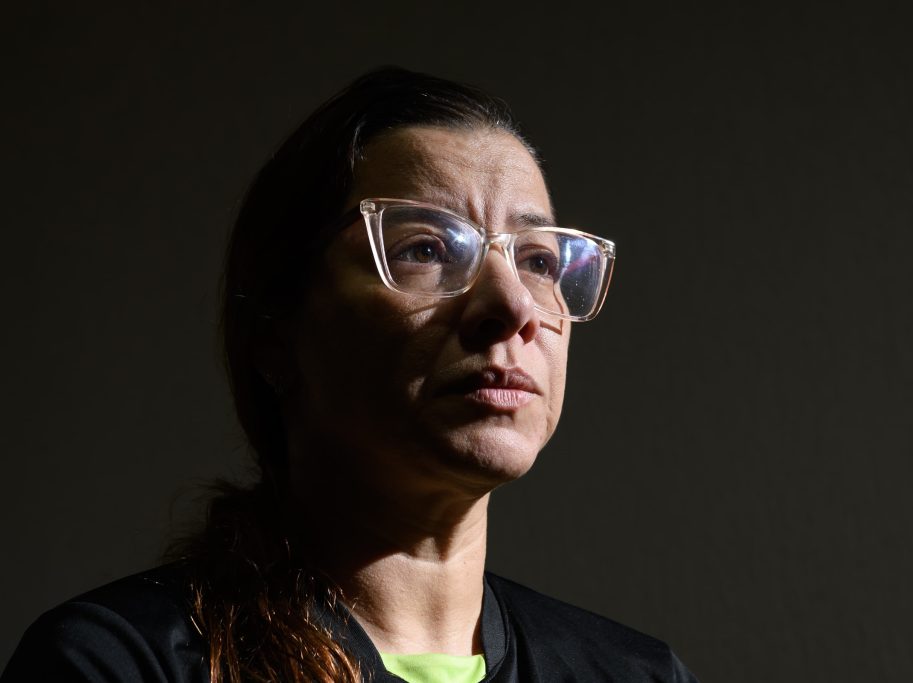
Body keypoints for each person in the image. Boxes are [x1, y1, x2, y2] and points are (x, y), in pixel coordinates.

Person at [3, 67, 699, 683]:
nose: (513, 307)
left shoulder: (636, 673)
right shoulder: (120, 662)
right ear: (277, 333)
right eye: (426, 248)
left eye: (539, 261)